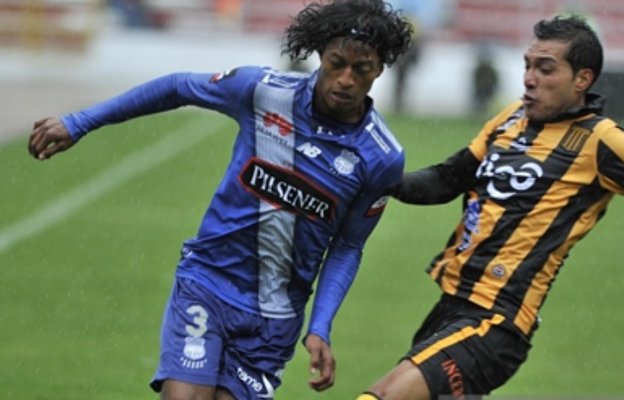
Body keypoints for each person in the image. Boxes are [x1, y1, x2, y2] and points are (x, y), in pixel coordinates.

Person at [28, 0, 413, 399]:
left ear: (380, 70)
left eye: (361, 69)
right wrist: (79, 122)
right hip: (209, 283)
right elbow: (177, 87)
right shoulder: (262, 90)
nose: (346, 79)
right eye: (337, 63)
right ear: (320, 54)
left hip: (274, 317)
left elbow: (348, 246)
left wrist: (321, 326)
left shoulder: (381, 157)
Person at [357, 14, 624, 400]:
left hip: (496, 321)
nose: (529, 78)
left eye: (545, 69)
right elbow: (448, 179)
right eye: (528, 66)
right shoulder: (512, 118)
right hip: (450, 307)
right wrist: (378, 180)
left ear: (582, 79)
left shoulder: (602, 140)